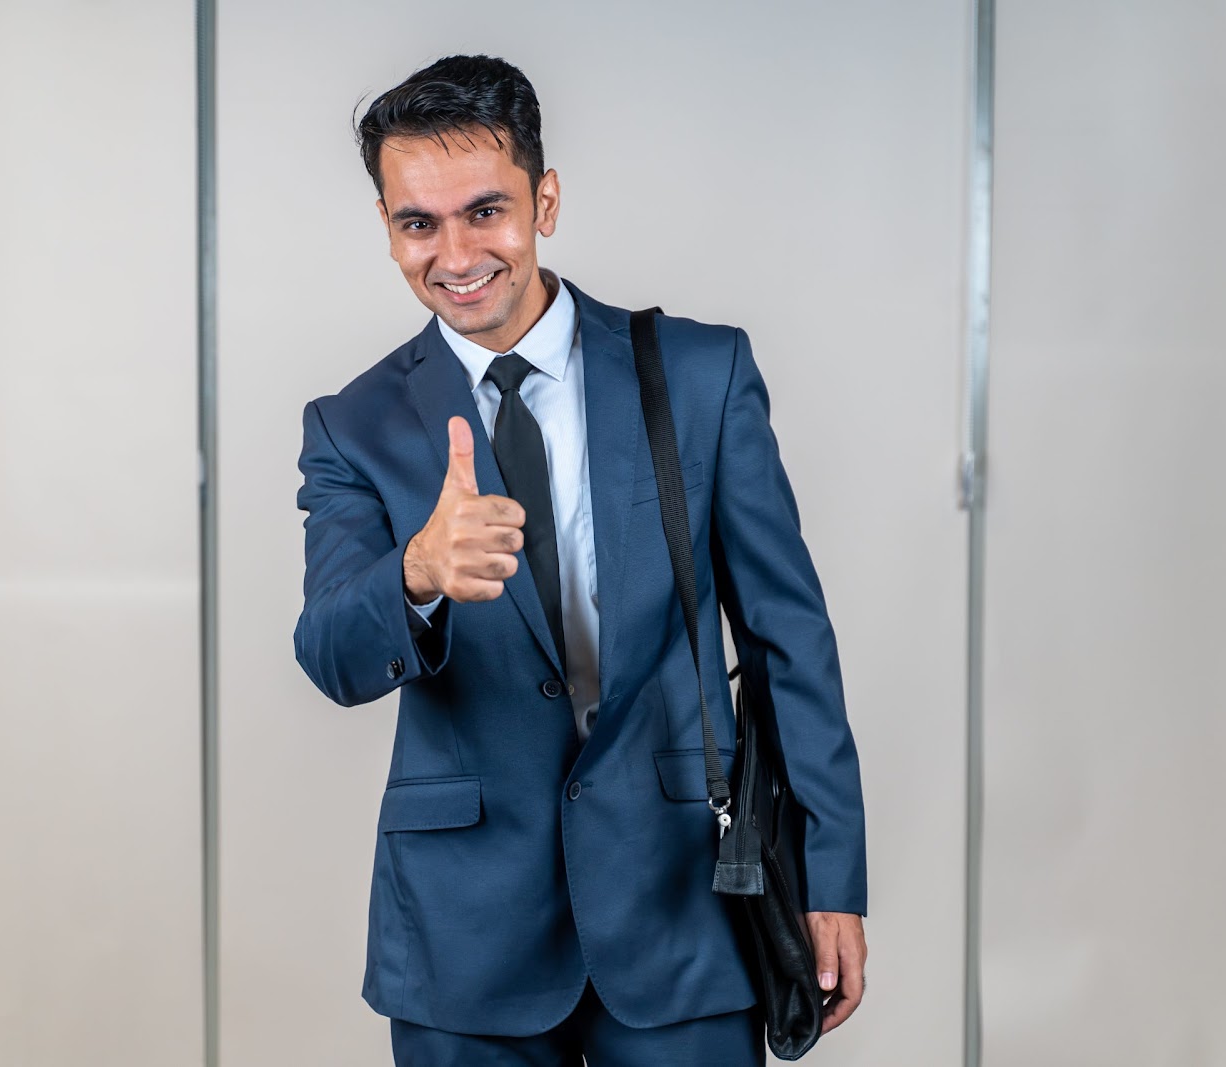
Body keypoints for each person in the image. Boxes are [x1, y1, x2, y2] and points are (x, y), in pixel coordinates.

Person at [293, 54, 868, 1066]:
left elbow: (790, 639)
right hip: (463, 932)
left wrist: (830, 873)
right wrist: (416, 572)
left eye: (486, 210)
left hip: (684, 902)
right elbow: (331, 653)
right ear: (386, 226)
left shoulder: (695, 375)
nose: (456, 252)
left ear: (544, 199)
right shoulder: (354, 425)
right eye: (416, 223)